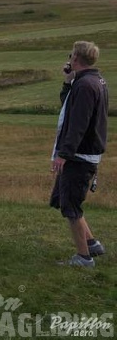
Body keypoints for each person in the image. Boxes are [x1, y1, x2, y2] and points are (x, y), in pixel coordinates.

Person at [50, 41, 109, 267]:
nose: (69, 58)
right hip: (83, 154)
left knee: (71, 206)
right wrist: (68, 82)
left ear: (76, 59)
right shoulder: (91, 81)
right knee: (66, 199)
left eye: (71, 55)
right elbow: (69, 106)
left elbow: (78, 124)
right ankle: (92, 243)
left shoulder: (85, 86)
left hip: (79, 155)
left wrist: (63, 154)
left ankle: (83, 257)